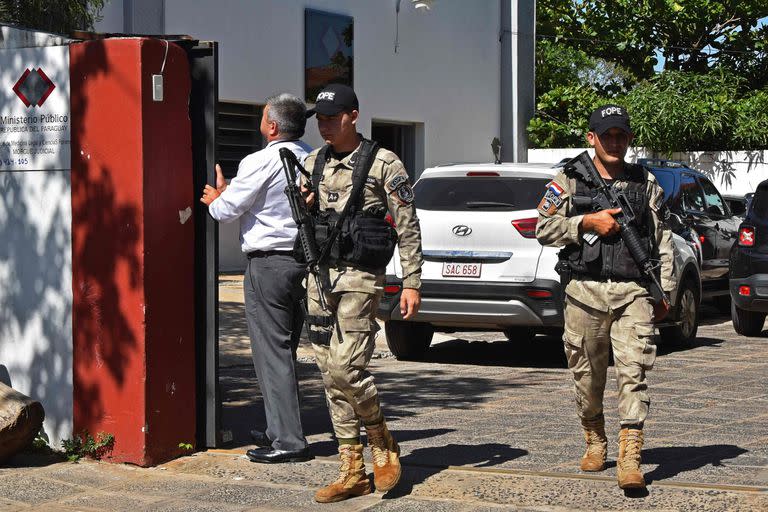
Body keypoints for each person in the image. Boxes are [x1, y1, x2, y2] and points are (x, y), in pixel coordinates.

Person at [535, 105, 676, 489]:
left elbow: (664, 242)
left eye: (621, 135)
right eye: (607, 135)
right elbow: (542, 228)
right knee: (587, 378)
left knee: (634, 373)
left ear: (629, 139)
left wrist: (666, 292)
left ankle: (631, 455)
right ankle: (595, 437)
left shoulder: (645, 182)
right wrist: (585, 223)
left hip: (633, 293)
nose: (615, 142)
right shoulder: (568, 180)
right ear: (591, 138)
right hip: (584, 293)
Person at [302, 84, 423, 503]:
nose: (324, 126)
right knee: (329, 375)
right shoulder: (312, 162)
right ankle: (351, 468)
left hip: (359, 278)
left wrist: (411, 282)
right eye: (319, 119)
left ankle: (380, 436)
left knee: (347, 368)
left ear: (353, 115)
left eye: (332, 118)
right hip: (319, 279)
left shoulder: (384, 162)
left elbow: (407, 225)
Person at [200, 93, 312, 464]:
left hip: (268, 265)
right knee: (287, 350)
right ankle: (277, 427)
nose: (260, 121)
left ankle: (288, 441)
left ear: (273, 127)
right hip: (305, 263)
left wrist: (216, 196)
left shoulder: (259, 160)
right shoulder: (313, 157)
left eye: (263, 116)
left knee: (272, 354)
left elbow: (226, 211)